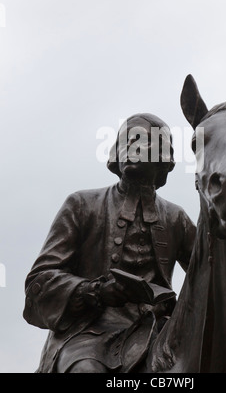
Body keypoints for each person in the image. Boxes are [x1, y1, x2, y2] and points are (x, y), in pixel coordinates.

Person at [23, 113, 196, 373]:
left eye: (142, 141)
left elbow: (210, 272)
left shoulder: (176, 218)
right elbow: (40, 281)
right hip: (89, 335)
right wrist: (94, 291)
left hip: (158, 333)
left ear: (163, 157)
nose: (131, 148)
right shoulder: (81, 205)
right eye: (126, 140)